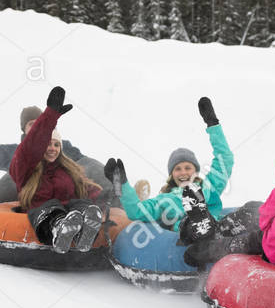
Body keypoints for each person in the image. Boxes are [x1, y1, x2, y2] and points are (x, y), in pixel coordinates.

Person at [104, 96, 246, 236]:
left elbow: (225, 159)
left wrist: (212, 124)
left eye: (188, 168)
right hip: (190, 236)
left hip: (217, 230)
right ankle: (197, 222)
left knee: (250, 209)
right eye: (177, 169)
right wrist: (120, 184)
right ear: (172, 175)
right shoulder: (165, 200)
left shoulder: (209, 186)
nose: (183, 172)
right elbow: (136, 211)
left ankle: (205, 220)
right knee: (189, 224)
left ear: (195, 171)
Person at [0, 93, 106, 210]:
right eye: (32, 124)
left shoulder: (62, 147)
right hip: (30, 196)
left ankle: (114, 201)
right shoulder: (14, 152)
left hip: (61, 195)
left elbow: (83, 163)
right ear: (24, 129)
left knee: (91, 167)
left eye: (39, 122)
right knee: (15, 173)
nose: (37, 127)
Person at [10, 87, 109, 254]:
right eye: (48, 144)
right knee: (51, 207)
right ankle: (59, 228)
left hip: (72, 216)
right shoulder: (27, 168)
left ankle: (84, 233)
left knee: (80, 204)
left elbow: (88, 189)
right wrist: (50, 115)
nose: (53, 148)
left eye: (56, 145)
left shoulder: (67, 170)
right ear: (41, 146)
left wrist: (106, 203)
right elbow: (28, 149)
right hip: (44, 216)